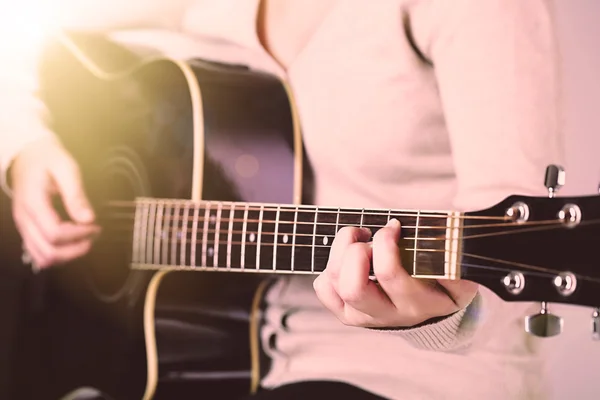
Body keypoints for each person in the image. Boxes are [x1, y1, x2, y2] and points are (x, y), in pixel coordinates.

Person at [0, 0, 564, 399]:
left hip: (404, 379)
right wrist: (25, 148)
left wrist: (441, 313)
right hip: (214, 357)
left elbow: (508, 270)